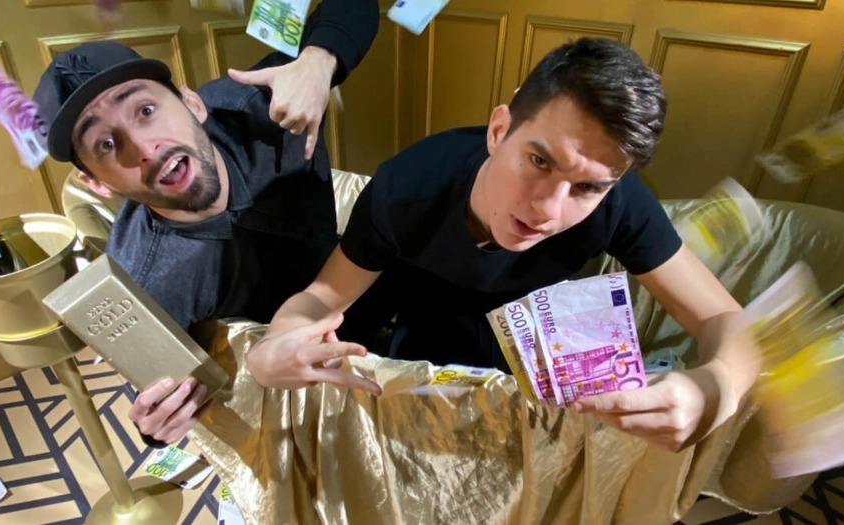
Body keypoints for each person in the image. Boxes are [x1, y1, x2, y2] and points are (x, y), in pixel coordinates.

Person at [245, 37, 760, 453]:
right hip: (415, 298)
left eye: (587, 187)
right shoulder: (409, 186)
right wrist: (271, 348)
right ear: (498, 130)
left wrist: (715, 389)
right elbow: (322, 297)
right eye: (539, 161)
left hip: (526, 317)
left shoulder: (619, 203)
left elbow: (723, 319)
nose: (548, 210)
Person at [31, 0, 380, 446]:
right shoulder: (142, 284)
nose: (145, 149)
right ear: (97, 183)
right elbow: (163, 397)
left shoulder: (262, 105)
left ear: (192, 102)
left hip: (355, 278)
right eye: (106, 144)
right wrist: (156, 426)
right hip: (285, 379)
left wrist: (318, 61)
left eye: (145, 110)